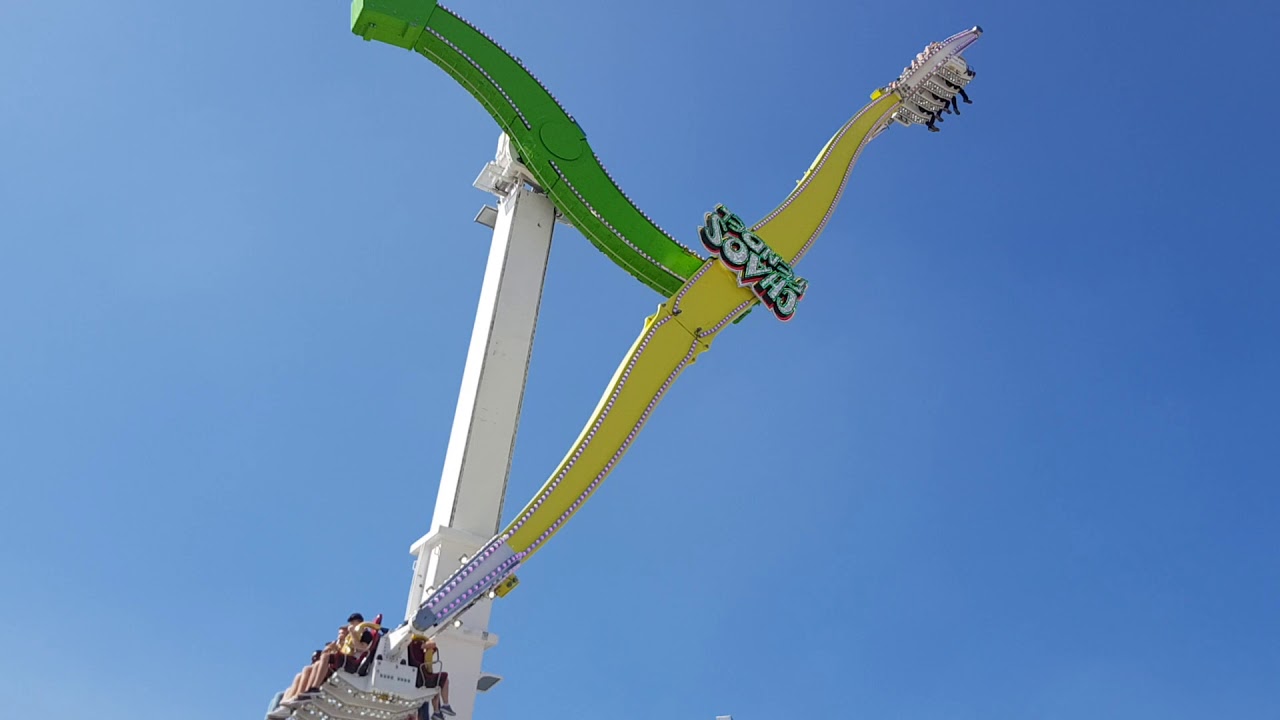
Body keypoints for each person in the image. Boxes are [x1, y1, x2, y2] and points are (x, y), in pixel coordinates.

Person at [408, 636, 456, 720]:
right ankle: (445, 704)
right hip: (421, 676)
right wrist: (425, 639)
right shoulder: (415, 644)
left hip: (419, 675)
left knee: (436, 687)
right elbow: (432, 644)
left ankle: (437, 712)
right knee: (444, 678)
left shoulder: (414, 650)